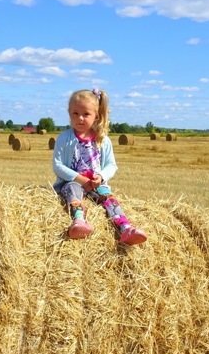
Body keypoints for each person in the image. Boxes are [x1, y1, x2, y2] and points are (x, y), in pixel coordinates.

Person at [52, 88, 147, 245]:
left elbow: (111, 165)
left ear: (96, 115)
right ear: (69, 113)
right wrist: (80, 179)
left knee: (109, 199)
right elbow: (58, 165)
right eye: (75, 113)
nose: (80, 118)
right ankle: (79, 222)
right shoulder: (64, 138)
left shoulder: (103, 140)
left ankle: (125, 227)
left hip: (96, 184)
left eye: (86, 114)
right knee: (73, 191)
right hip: (72, 182)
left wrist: (101, 177)